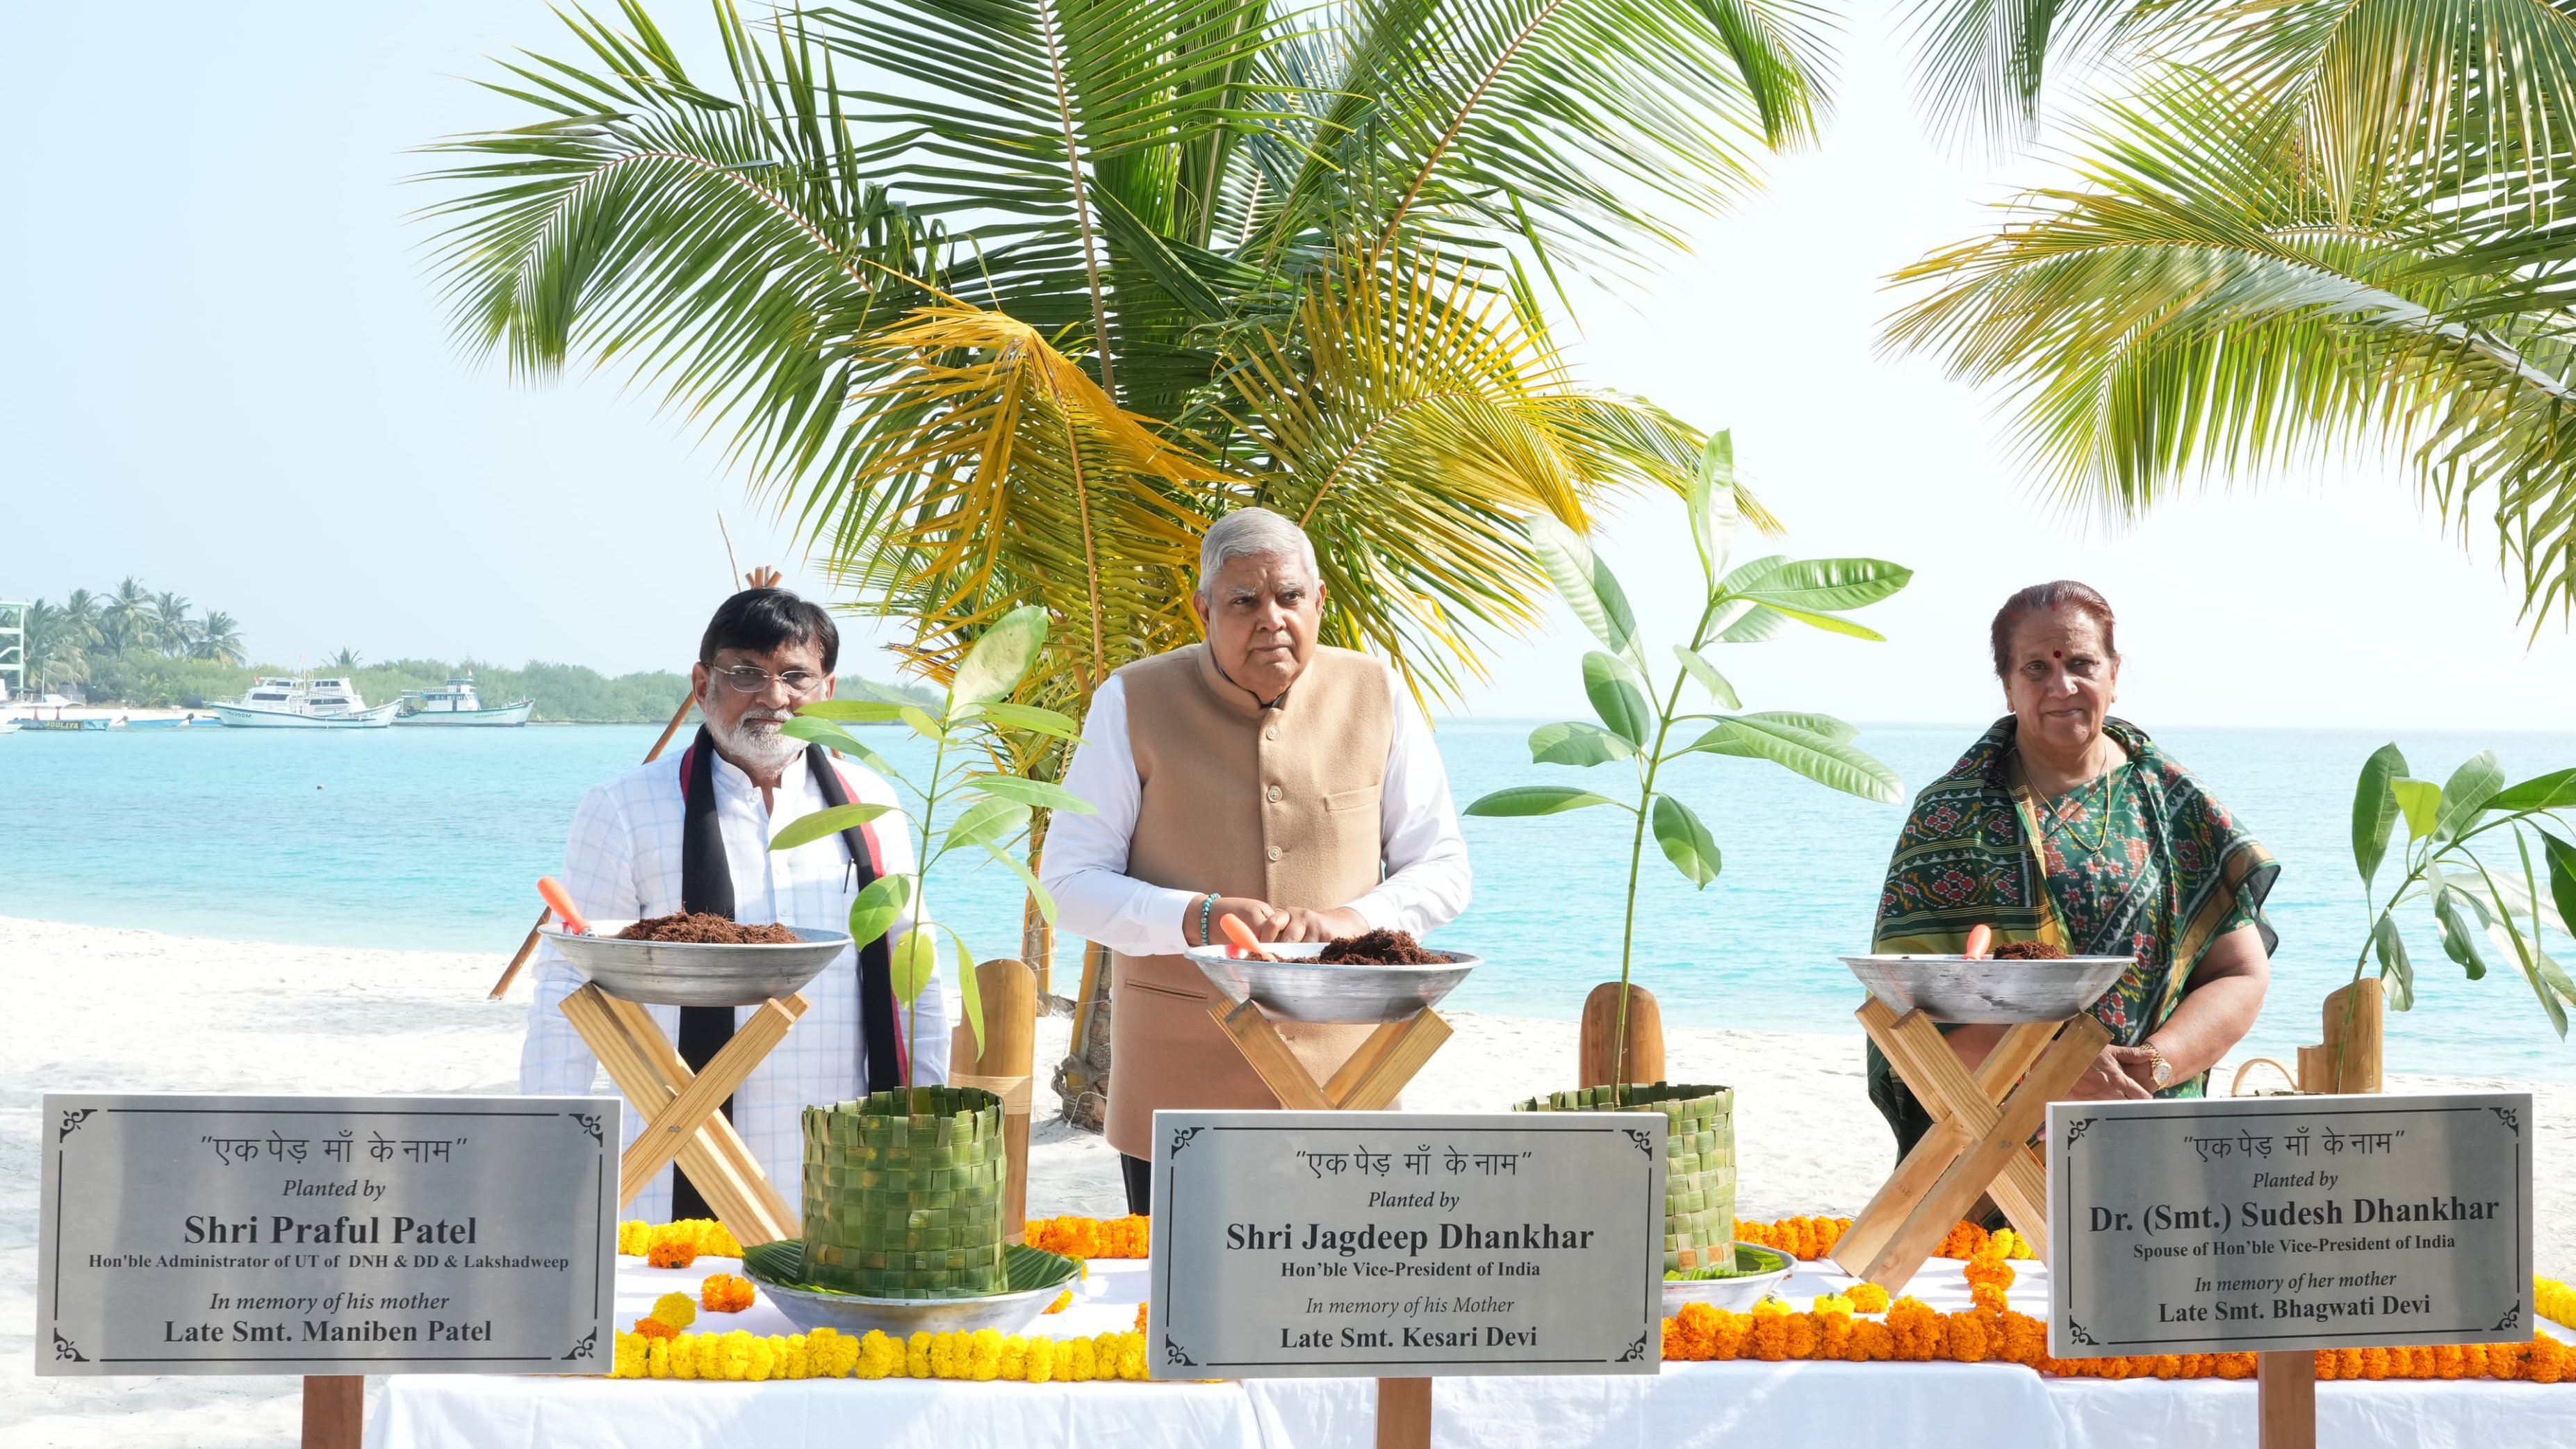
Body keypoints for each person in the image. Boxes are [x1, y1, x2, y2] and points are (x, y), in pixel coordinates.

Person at [1042, 507, 1472, 1214]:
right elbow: (1067, 885)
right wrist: (1197, 916)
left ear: (1319, 601)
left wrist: (1348, 921)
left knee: (1345, 1307)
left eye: (1289, 597)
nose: (1270, 618)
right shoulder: (1131, 699)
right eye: (1243, 600)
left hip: (1351, 1076)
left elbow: (1443, 868)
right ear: (1203, 609)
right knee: (1185, 1309)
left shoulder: (1378, 692)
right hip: (1178, 1090)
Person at [520, 588, 946, 1220]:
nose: (773, 697)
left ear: (825, 690)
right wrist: (551, 1136)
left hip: (842, 1151)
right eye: (746, 673)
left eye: (795, 676)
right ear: (702, 682)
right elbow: (571, 979)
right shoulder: (624, 807)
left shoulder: (872, 804)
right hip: (677, 1146)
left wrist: (926, 1123)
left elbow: (915, 972)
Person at [1869, 580, 2274, 1154]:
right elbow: (1904, 1007)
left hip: (2153, 1129)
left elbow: (2238, 972)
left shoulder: (2178, 806)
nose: (2061, 686)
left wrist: (2149, 1068)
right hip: (2002, 1147)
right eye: (2035, 668)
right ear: (2007, 687)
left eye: (2081, 662)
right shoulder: (1949, 817)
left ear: (2113, 672)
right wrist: (2052, 1069)